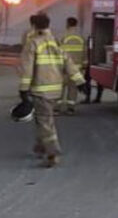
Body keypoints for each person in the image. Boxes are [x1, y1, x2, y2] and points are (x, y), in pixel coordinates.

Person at [19, 13, 85, 168]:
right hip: (55, 89)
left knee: (45, 121)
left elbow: (27, 69)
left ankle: (52, 153)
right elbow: (68, 61)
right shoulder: (55, 42)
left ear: (33, 26)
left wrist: (23, 89)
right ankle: (40, 147)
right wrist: (80, 81)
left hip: (40, 89)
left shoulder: (33, 43)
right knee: (43, 118)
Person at [58, 17, 87, 115]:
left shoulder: (63, 36)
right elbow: (85, 52)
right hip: (76, 68)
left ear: (67, 24)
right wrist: (84, 65)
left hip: (64, 67)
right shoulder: (81, 37)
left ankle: (57, 108)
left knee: (60, 87)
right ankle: (70, 109)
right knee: (73, 88)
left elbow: (58, 52)